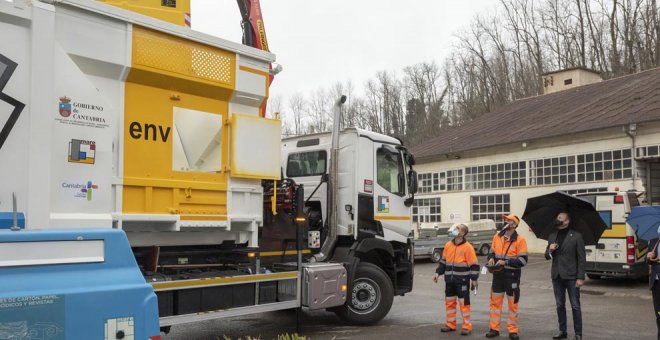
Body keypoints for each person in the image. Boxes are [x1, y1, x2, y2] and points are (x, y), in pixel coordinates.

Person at [544, 212, 586, 340]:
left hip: (572, 277)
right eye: (557, 217)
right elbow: (546, 256)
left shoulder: (577, 236)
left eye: (560, 218)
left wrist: (580, 277)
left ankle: (578, 333)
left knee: (575, 306)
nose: (557, 219)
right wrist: (549, 250)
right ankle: (563, 331)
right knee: (559, 305)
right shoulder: (552, 236)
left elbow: (581, 258)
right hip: (557, 276)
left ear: (567, 221)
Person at [486, 214, 528, 340]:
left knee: (512, 305)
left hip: (512, 277)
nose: (505, 222)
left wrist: (506, 262)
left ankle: (512, 331)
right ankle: (494, 329)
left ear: (515, 225)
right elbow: (492, 252)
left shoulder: (520, 240)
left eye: (509, 221)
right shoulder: (497, 237)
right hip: (498, 276)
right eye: (505, 220)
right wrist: (491, 259)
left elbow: (523, 261)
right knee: (495, 304)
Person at [433, 223, 480, 336]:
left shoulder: (468, 247)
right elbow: (443, 261)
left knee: (464, 304)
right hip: (449, 281)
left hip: (462, 281)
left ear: (462, 233)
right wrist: (437, 273)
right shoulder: (448, 245)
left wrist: (474, 279)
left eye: (457, 228)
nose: (454, 230)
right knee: (449, 303)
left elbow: (474, 265)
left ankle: (466, 326)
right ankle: (450, 324)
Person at [647, 236, 660, 339]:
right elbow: (648, 261)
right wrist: (648, 257)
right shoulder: (654, 240)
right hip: (656, 284)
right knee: (659, 314)